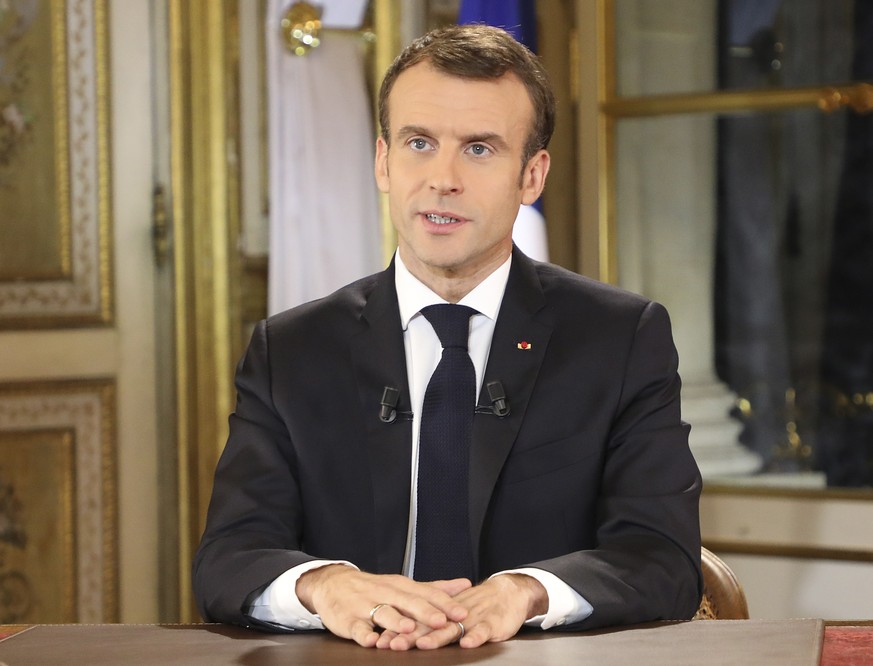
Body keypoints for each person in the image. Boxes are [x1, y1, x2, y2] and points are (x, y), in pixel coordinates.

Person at [193, 24, 702, 651]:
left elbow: (662, 558)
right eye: (418, 143)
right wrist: (324, 586)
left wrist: (528, 590)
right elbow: (227, 559)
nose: (443, 178)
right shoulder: (292, 349)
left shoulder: (621, 338)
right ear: (383, 161)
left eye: (480, 149)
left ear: (532, 176)